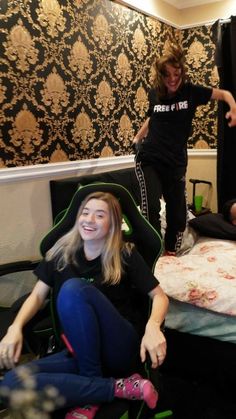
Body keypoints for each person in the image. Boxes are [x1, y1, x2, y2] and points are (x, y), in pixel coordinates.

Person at [0, 191, 169, 419]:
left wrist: (153, 326)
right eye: (85, 213)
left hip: (117, 348)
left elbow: (160, 296)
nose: (89, 220)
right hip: (77, 350)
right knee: (10, 384)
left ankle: (90, 388)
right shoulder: (60, 253)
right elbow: (37, 296)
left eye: (100, 215)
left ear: (112, 224)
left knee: (72, 289)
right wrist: (15, 327)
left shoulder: (124, 253)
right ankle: (115, 388)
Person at [133, 44, 236, 256]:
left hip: (176, 162)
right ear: (160, 75)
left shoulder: (191, 93)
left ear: (182, 73)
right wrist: (137, 138)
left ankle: (170, 251)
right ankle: (151, 253)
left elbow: (225, 94)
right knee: (150, 208)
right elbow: (153, 117)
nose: (172, 79)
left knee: (178, 214)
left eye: (176, 74)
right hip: (150, 158)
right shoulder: (155, 94)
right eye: (167, 75)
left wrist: (234, 108)